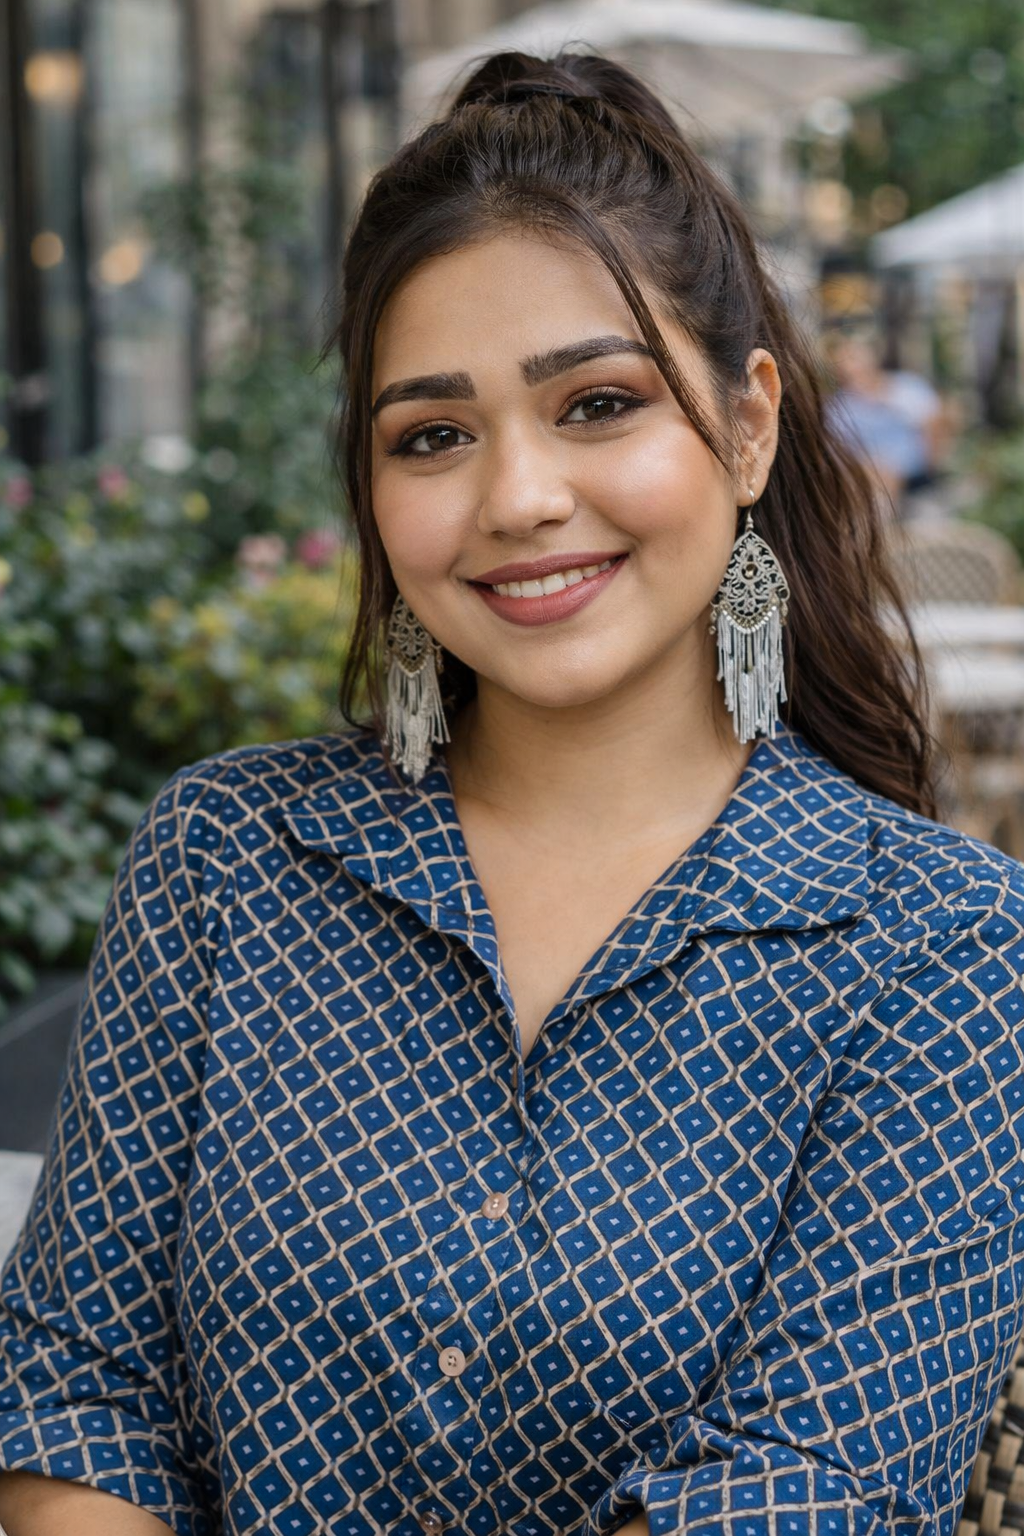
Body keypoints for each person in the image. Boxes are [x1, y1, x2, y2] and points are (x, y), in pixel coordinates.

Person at [2, 47, 1024, 1536]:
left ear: (747, 426)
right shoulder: (227, 860)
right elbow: (84, 1396)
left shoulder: (944, 947)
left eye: (598, 404)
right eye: (433, 435)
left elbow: (809, 1495)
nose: (518, 497)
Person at [821, 320, 952, 514]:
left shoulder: (907, 388)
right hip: (864, 479)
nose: (848, 366)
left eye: (853, 357)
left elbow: (936, 429)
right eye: (841, 360)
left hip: (915, 475)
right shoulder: (836, 407)